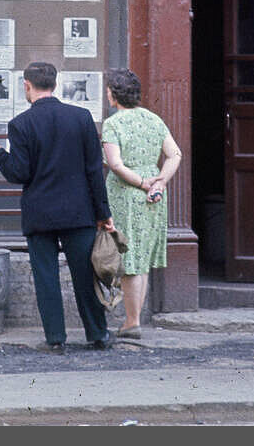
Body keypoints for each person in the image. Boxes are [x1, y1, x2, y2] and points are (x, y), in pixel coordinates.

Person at [0, 61, 114, 353]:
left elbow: (20, 173)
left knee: (46, 277)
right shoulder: (81, 118)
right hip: (79, 212)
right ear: (55, 84)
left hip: (40, 213)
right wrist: (103, 213)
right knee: (85, 276)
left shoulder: (20, 124)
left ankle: (55, 338)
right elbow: (95, 170)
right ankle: (98, 334)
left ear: (27, 86)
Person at [100, 68, 182, 339]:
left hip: (127, 193)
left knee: (129, 257)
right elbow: (175, 154)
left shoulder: (113, 123)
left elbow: (115, 164)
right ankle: (133, 319)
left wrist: (143, 183)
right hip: (153, 195)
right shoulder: (153, 119)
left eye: (109, 90)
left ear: (114, 94)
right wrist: (160, 182)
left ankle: (132, 321)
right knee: (142, 257)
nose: (107, 94)